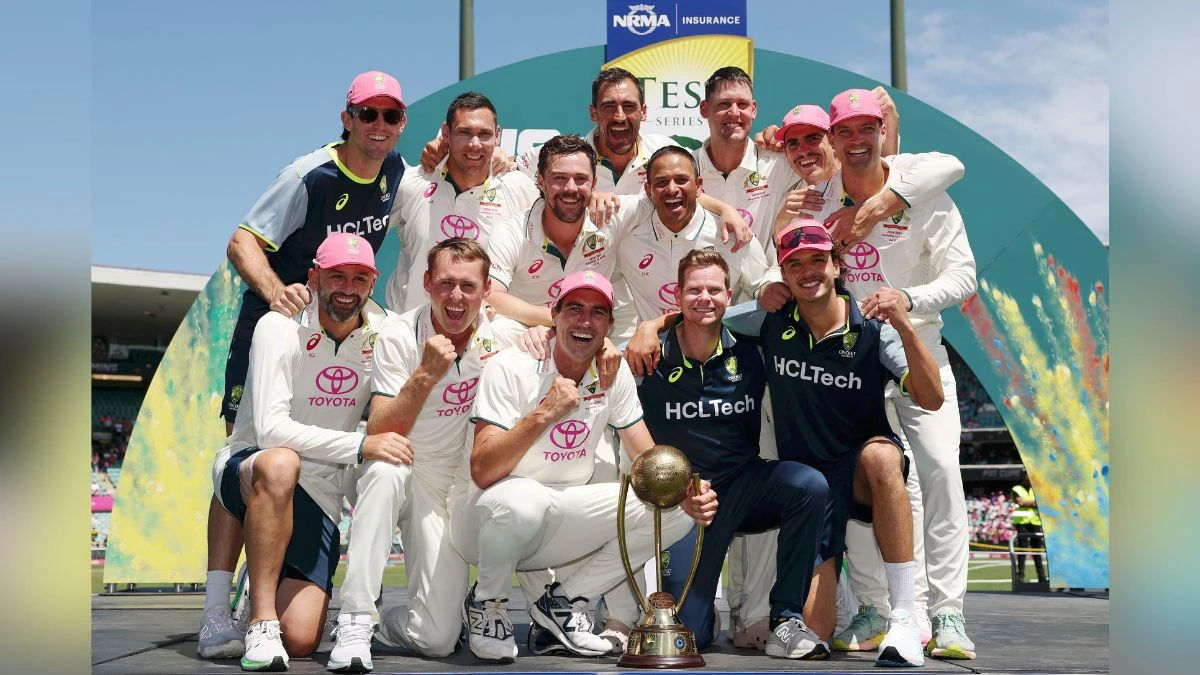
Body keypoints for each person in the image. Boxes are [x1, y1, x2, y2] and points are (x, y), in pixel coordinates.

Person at [198, 71, 408, 661]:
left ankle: (270, 584)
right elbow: (243, 241)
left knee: (305, 639)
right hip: (285, 314)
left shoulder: (396, 173)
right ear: (346, 118)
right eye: (368, 114)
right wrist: (277, 293)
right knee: (259, 450)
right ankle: (218, 609)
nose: (379, 126)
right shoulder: (308, 174)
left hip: (334, 324)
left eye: (391, 116)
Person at [446, 270, 718, 663]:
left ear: (608, 325)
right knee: (523, 499)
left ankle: (564, 601)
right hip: (487, 521)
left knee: (674, 509)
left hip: (559, 519)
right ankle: (488, 602)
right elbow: (484, 471)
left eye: (597, 313)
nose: (584, 321)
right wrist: (546, 413)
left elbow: (645, 453)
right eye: (574, 309)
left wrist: (688, 488)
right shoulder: (512, 366)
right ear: (554, 315)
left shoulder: (612, 369)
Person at [730, 219, 945, 666]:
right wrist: (651, 328)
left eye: (818, 260)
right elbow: (701, 315)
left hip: (859, 468)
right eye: (795, 264)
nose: (808, 271)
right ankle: (842, 594)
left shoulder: (872, 328)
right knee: (813, 639)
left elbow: (932, 397)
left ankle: (903, 616)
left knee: (883, 455)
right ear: (783, 275)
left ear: (836, 265)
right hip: (811, 488)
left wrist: (905, 326)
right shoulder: (768, 319)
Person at [815, 89, 979, 660]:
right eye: (846, 133)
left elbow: (964, 278)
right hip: (848, 363)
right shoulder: (818, 204)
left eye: (868, 129)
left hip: (917, 349)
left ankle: (947, 611)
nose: (857, 142)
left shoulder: (922, 193)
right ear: (833, 140)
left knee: (939, 472)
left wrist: (906, 299)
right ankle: (875, 607)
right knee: (867, 479)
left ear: (884, 131)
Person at [206, 233, 402, 672]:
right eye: (336, 276)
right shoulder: (279, 325)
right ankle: (257, 622)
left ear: (372, 282)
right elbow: (274, 431)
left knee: (301, 639)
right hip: (253, 464)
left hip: (322, 490)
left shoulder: (385, 333)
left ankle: (258, 582)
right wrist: (360, 443)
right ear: (314, 277)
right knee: (282, 462)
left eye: (358, 278)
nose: (347, 288)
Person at [327, 239, 520, 671]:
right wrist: (425, 375)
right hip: (401, 462)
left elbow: (564, 327)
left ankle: (382, 625)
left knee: (436, 639)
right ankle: (355, 617)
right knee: (386, 464)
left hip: (448, 488)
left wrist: (553, 334)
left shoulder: (504, 338)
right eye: (446, 283)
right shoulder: (397, 334)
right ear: (427, 283)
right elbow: (379, 429)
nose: (456, 297)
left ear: (487, 290)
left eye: (468, 286)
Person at [639, 249, 828, 653]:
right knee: (691, 635)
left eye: (713, 290)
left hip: (744, 485)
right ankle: (703, 613)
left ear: (729, 295)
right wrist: (646, 327)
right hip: (686, 501)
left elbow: (804, 307)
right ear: (676, 295)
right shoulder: (649, 355)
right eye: (693, 290)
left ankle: (786, 618)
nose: (704, 298)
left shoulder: (750, 347)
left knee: (808, 485)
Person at [385, 92, 539, 312]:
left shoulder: (519, 188)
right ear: (446, 134)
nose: (474, 144)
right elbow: (363, 230)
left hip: (485, 339)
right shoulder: (412, 182)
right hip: (409, 335)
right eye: (464, 132)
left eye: (484, 134)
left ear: (497, 136)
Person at [1011, 474, 1046, 583]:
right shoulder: (1017, 489)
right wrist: (1034, 502)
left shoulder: (1035, 488)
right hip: (1022, 523)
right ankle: (1020, 577)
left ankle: (1042, 577)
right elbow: (1020, 502)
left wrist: (1027, 503)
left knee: (1037, 551)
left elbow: (1040, 502)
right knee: (1022, 550)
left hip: (1035, 522)